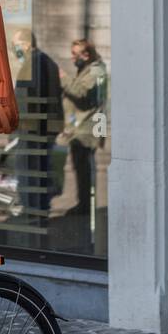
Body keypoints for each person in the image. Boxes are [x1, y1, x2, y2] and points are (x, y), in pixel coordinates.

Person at [12, 28, 63, 214]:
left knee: (28, 167)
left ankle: (31, 207)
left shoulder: (31, 64)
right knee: (41, 166)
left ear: (25, 44)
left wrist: (15, 125)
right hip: (44, 127)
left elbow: (25, 99)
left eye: (15, 45)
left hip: (33, 128)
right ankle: (40, 206)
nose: (14, 49)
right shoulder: (47, 61)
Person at [58, 38, 108, 218]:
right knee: (80, 168)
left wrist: (63, 79)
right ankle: (84, 204)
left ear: (86, 55)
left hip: (87, 128)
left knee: (84, 168)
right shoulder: (88, 68)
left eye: (75, 54)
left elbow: (81, 92)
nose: (72, 58)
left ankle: (85, 206)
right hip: (80, 127)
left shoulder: (96, 69)